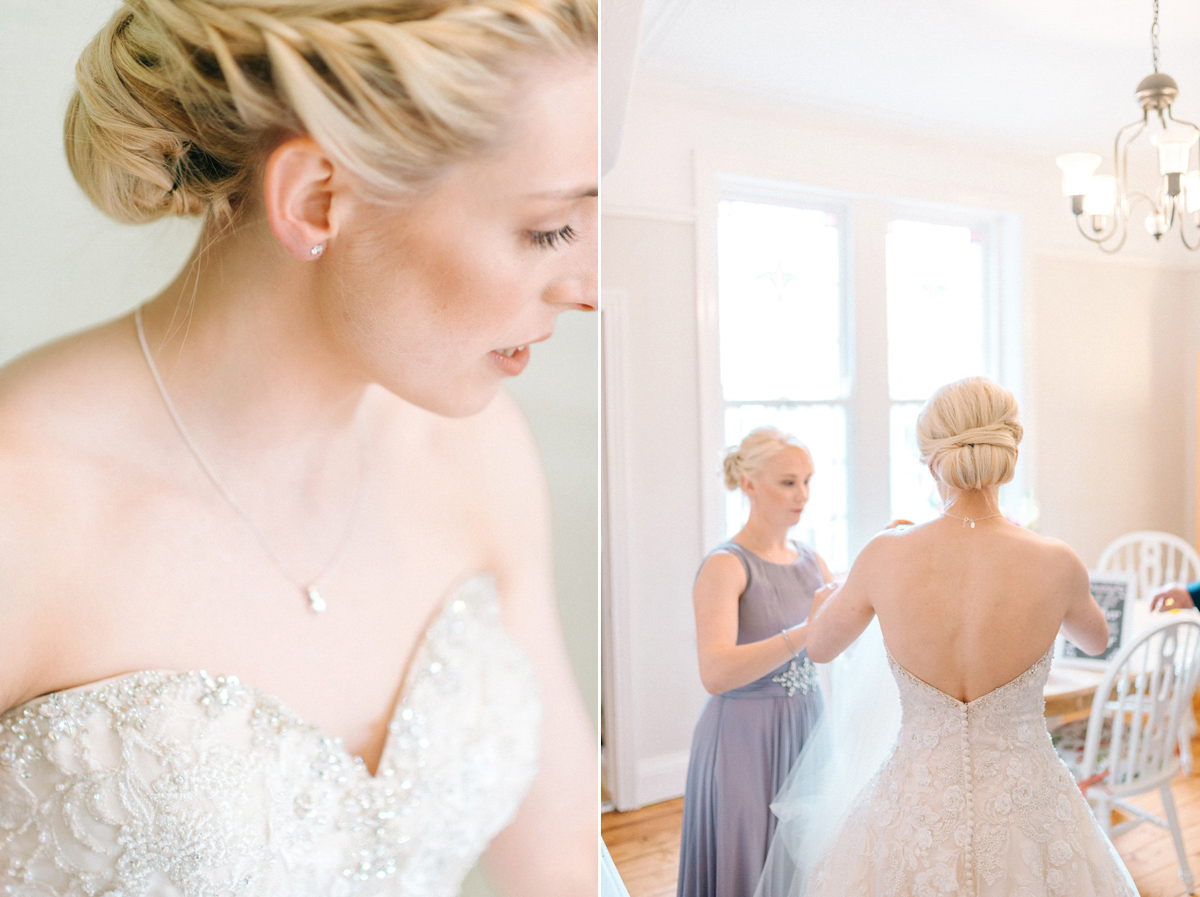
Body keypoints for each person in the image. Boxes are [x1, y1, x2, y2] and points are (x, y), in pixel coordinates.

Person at [0, 1, 596, 894]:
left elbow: (562, 867)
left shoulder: (475, 455)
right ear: (317, 197)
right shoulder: (26, 506)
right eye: (550, 228)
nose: (589, 288)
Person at [757, 377, 1136, 896]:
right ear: (1011, 452)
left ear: (932, 461)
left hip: (914, 805)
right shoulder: (1056, 561)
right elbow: (1097, 639)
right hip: (1029, 805)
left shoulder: (884, 556)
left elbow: (821, 648)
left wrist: (841, 590)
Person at [676, 427, 831, 897]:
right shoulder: (726, 565)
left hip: (808, 725)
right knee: (747, 855)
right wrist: (804, 632)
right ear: (748, 484)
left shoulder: (812, 561)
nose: (802, 494)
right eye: (788, 482)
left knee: (803, 853)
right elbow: (716, 672)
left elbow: (835, 639)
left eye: (807, 480)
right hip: (745, 736)